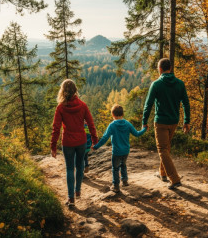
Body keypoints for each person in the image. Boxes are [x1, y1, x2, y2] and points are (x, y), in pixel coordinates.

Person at [142, 58, 190, 190]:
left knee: (162, 149)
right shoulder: (180, 84)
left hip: (161, 122)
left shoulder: (156, 84)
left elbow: (148, 104)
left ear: (160, 69)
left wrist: (144, 122)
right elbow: (186, 103)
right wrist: (186, 121)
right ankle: (163, 173)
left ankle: (174, 179)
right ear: (170, 68)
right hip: (174, 121)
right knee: (166, 148)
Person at [50, 79, 98, 207]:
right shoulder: (83, 105)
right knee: (80, 166)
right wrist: (94, 140)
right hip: (81, 141)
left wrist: (53, 146)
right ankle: (78, 191)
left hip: (68, 142)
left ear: (63, 91)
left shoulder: (60, 107)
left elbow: (56, 128)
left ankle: (71, 199)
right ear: (75, 90)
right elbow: (91, 124)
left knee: (70, 168)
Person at [93, 104, 147, 193]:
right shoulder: (127, 123)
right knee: (123, 164)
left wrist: (96, 147)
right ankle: (125, 180)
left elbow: (105, 138)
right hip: (126, 150)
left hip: (117, 151)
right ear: (122, 114)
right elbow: (137, 134)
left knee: (115, 168)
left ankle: (116, 186)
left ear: (113, 115)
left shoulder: (112, 125)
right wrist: (144, 129)